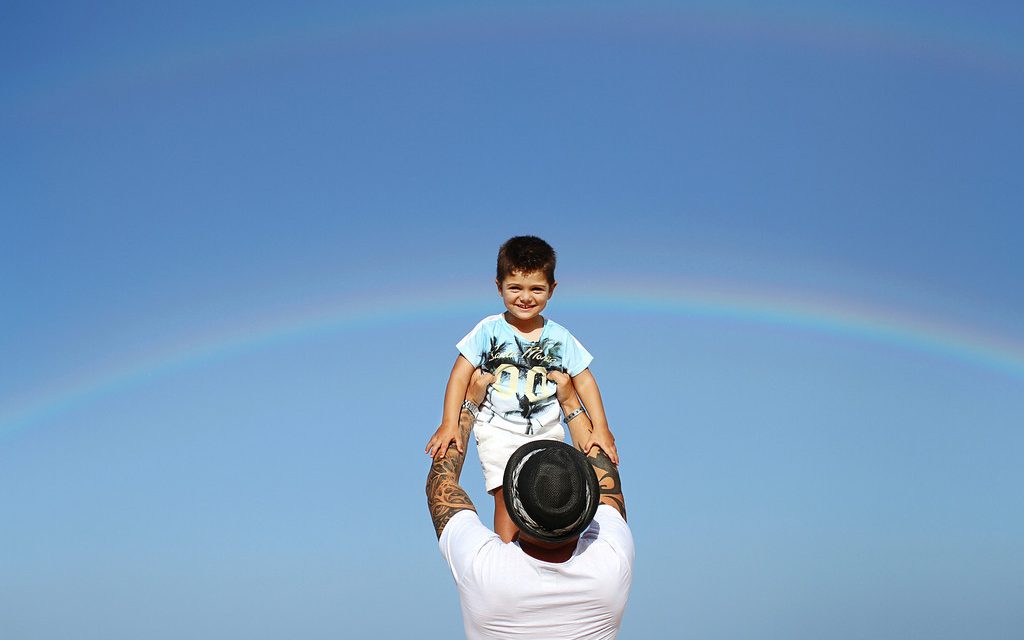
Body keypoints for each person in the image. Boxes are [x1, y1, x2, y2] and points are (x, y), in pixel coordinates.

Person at [425, 235, 618, 542]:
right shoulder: (488, 330)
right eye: (515, 288)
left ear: (552, 289)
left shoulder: (559, 336)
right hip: (497, 429)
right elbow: (460, 374)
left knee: (544, 494)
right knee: (506, 493)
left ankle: (541, 553)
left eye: (536, 289)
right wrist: (449, 423)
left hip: (545, 428)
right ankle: (505, 550)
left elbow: (584, 379)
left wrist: (602, 428)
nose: (525, 297)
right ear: (498, 285)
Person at [426, 369, 633, 639]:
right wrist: (571, 401)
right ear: (585, 505)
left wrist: (468, 407)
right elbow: (609, 484)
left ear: (514, 508)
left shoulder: (483, 570)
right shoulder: (612, 564)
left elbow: (441, 486)